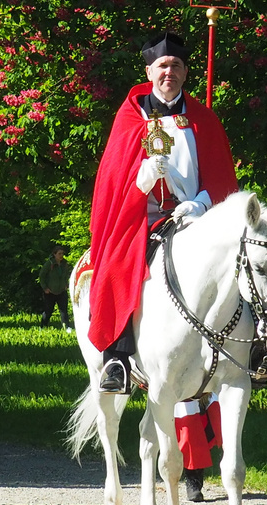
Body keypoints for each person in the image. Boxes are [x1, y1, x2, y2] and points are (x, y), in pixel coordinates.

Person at [87, 31, 239, 393]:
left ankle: (253, 348)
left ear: (186, 73)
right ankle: (118, 357)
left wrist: (200, 202)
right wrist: (139, 182)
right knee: (119, 263)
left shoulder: (204, 119)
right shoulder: (129, 118)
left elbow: (221, 179)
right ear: (148, 70)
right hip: (143, 215)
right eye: (162, 66)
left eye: (176, 66)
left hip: (197, 214)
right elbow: (113, 180)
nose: (169, 72)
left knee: (241, 257)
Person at [37, 245, 72, 330]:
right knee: (48, 311)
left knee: (64, 310)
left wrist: (66, 284)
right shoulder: (49, 263)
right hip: (50, 292)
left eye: (62, 254)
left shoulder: (65, 264)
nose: (61, 256)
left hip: (61, 291)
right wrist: (45, 288)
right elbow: (42, 276)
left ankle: (66, 327)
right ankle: (43, 326)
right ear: (54, 254)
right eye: (59, 254)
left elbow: (67, 274)